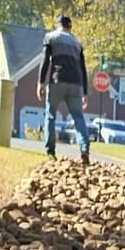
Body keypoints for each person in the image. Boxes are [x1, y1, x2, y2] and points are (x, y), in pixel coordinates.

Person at [38, 15, 90, 164]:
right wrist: (85, 92)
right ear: (70, 27)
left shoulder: (51, 37)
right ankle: (84, 149)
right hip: (76, 83)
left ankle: (50, 151)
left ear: (57, 26)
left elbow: (45, 60)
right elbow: (83, 69)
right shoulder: (77, 44)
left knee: (51, 115)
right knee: (78, 117)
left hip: (57, 79)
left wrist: (41, 82)